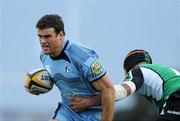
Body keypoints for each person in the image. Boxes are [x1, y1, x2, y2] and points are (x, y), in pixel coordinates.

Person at [26, 14, 115, 121]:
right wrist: (37, 85)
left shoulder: (83, 57)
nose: (42, 41)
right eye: (40, 36)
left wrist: (89, 102)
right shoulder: (44, 56)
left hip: (93, 114)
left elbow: (109, 91)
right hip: (67, 112)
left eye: (47, 36)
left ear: (61, 35)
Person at [70, 49, 180, 121]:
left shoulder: (138, 72)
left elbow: (120, 91)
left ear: (127, 70)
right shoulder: (163, 75)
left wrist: (88, 102)